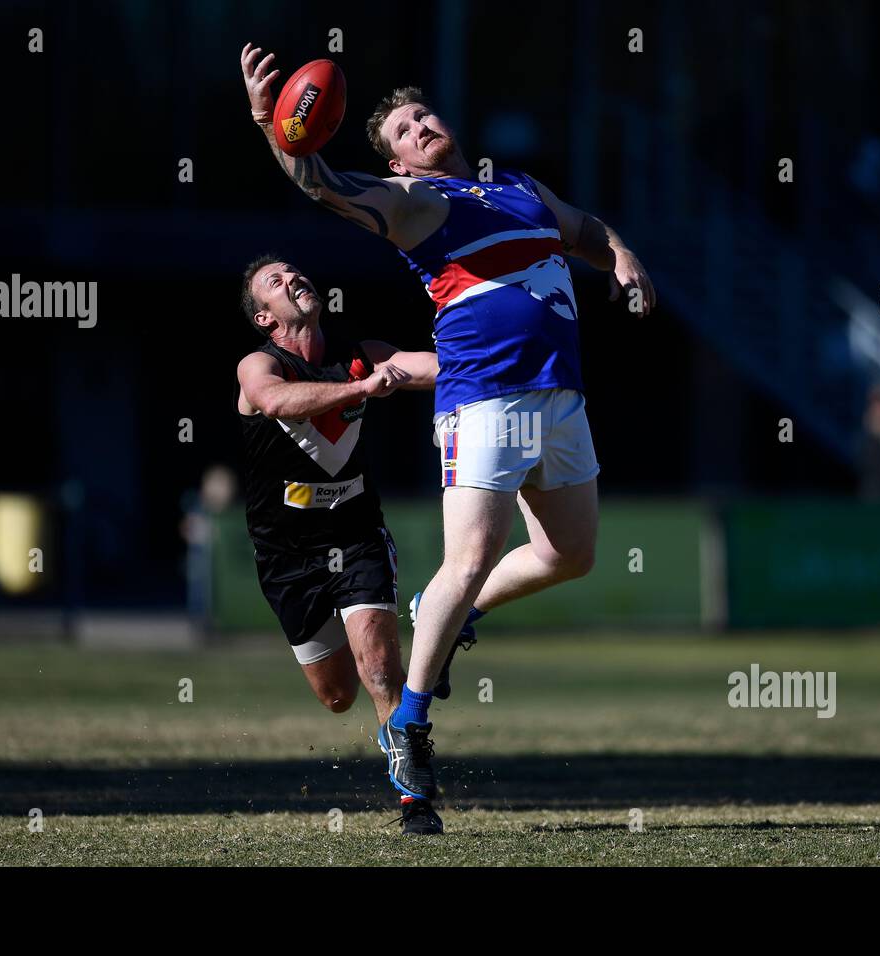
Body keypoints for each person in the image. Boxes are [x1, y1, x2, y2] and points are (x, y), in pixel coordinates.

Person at [240, 45, 656, 824]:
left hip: (560, 396)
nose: (421, 124)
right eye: (403, 126)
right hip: (486, 398)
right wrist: (274, 123)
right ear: (397, 159)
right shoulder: (414, 202)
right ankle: (410, 723)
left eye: (424, 113)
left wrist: (622, 257)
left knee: (571, 554)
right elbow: (320, 181)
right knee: (473, 556)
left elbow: (584, 229)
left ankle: (447, 609)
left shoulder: (519, 188)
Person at [234, 254, 443, 835]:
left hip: (355, 536)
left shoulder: (362, 349)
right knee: (337, 697)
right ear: (264, 318)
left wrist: (491, 356)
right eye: (274, 282)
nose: (293, 279)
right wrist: (362, 388)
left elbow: (431, 367)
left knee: (380, 671)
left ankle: (415, 802)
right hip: (285, 555)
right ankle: (408, 656)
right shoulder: (259, 365)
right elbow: (277, 403)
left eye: (295, 272)